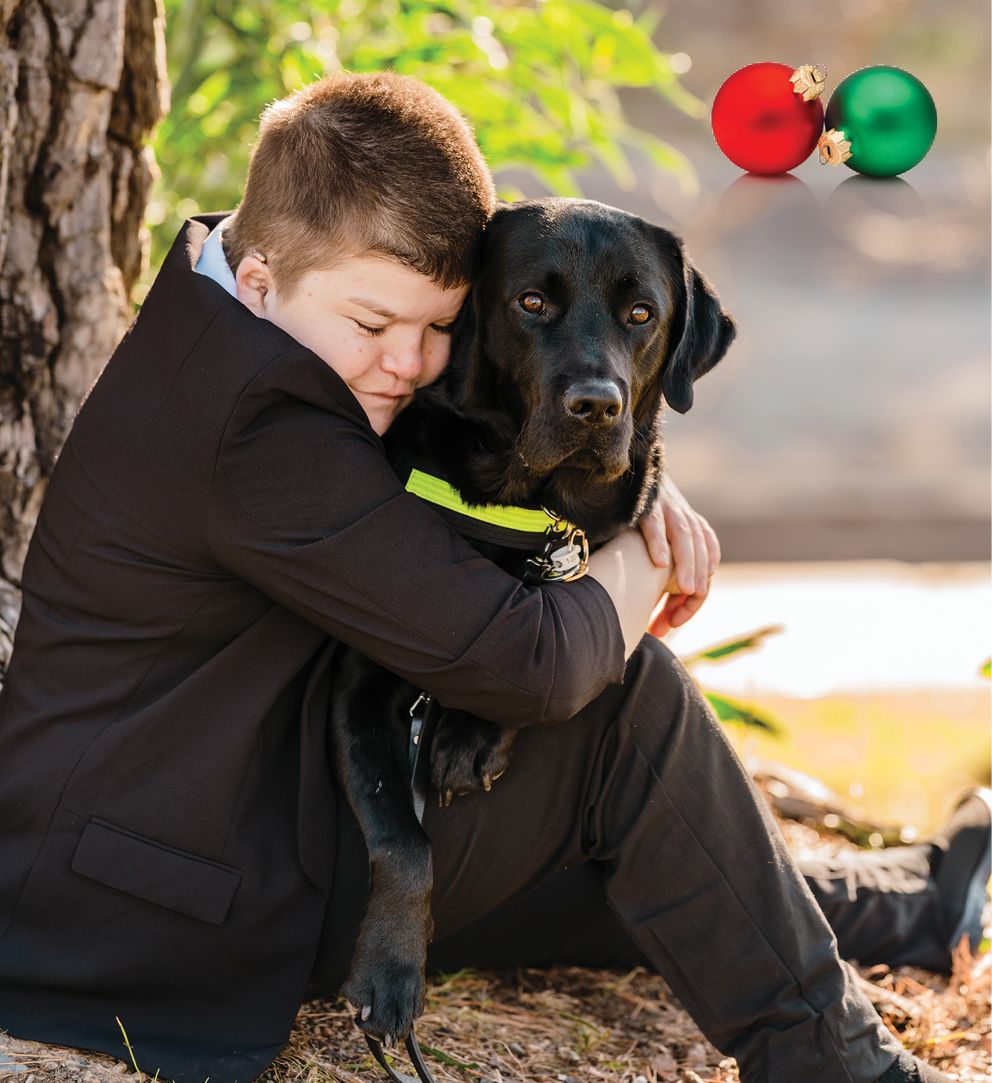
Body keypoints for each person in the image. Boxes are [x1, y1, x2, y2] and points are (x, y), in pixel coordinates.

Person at [0, 72, 986, 1083]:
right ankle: (845, 1068)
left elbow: (523, 404)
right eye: (379, 324)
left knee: (636, 866)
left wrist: (636, 480)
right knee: (620, 707)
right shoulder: (260, 430)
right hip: (155, 911)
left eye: (436, 329)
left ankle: (921, 901)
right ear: (261, 276)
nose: (411, 363)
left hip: (201, 827)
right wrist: (644, 551)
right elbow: (528, 669)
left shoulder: (243, 301)